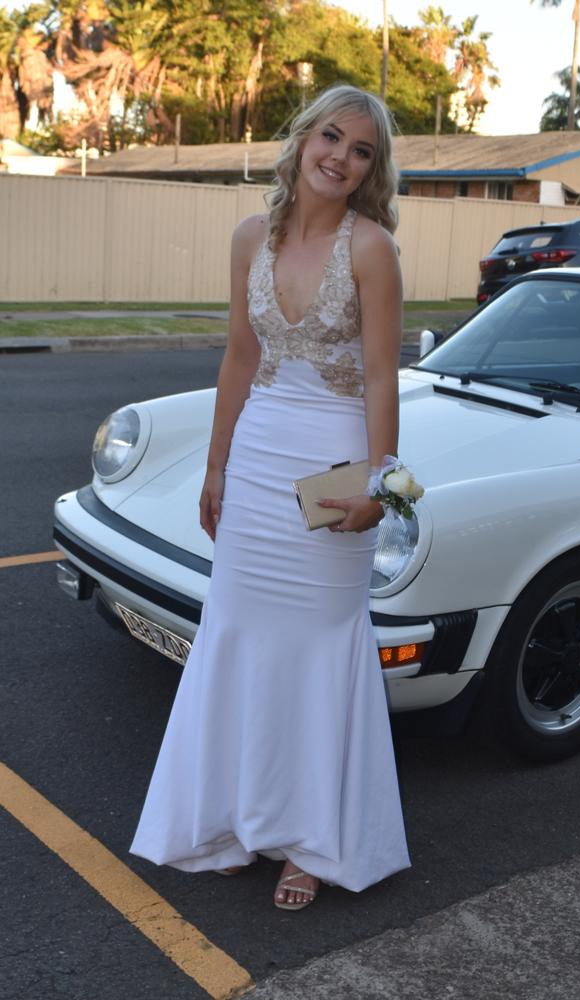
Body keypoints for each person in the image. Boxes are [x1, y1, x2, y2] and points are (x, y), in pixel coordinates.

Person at [130, 84, 411, 911]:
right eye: (333, 137)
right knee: (243, 637)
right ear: (303, 139)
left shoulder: (372, 249)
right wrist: (215, 469)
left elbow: (385, 377)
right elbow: (239, 362)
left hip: (331, 467)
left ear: (371, 169)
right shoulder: (249, 236)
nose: (342, 158)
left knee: (321, 646)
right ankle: (239, 820)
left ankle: (312, 841)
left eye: (362, 151)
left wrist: (378, 482)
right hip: (256, 465)